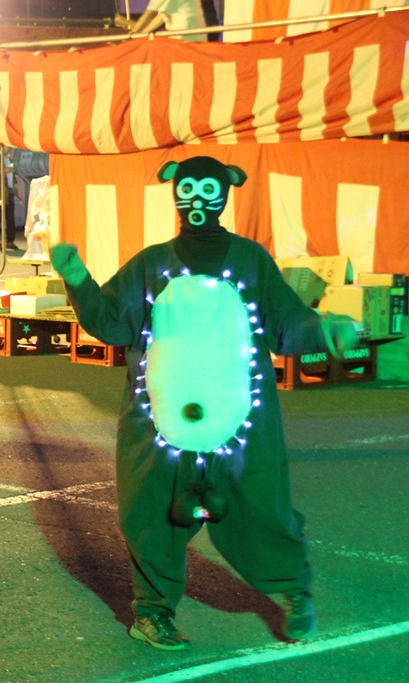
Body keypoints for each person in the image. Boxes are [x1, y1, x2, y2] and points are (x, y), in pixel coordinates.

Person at [50, 155, 360, 651]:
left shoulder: (251, 260)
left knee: (263, 508)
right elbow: (110, 322)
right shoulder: (152, 263)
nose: (197, 200)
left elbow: (285, 321)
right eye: (188, 189)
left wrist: (324, 330)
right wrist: (79, 280)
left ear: (225, 193)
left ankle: (294, 591)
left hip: (240, 416)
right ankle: (151, 611)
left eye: (208, 190)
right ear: (175, 193)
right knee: (151, 514)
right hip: (160, 419)